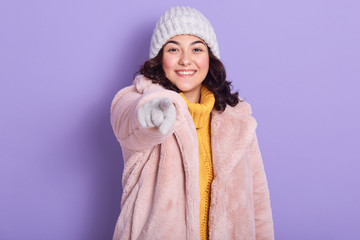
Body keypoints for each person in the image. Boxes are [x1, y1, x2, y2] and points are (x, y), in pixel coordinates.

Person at [110, 6, 274, 240]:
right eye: (174, 49)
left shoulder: (238, 121)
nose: (186, 60)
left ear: (209, 58)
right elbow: (127, 117)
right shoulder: (140, 102)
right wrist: (151, 109)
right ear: (159, 59)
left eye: (196, 49)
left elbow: (258, 203)